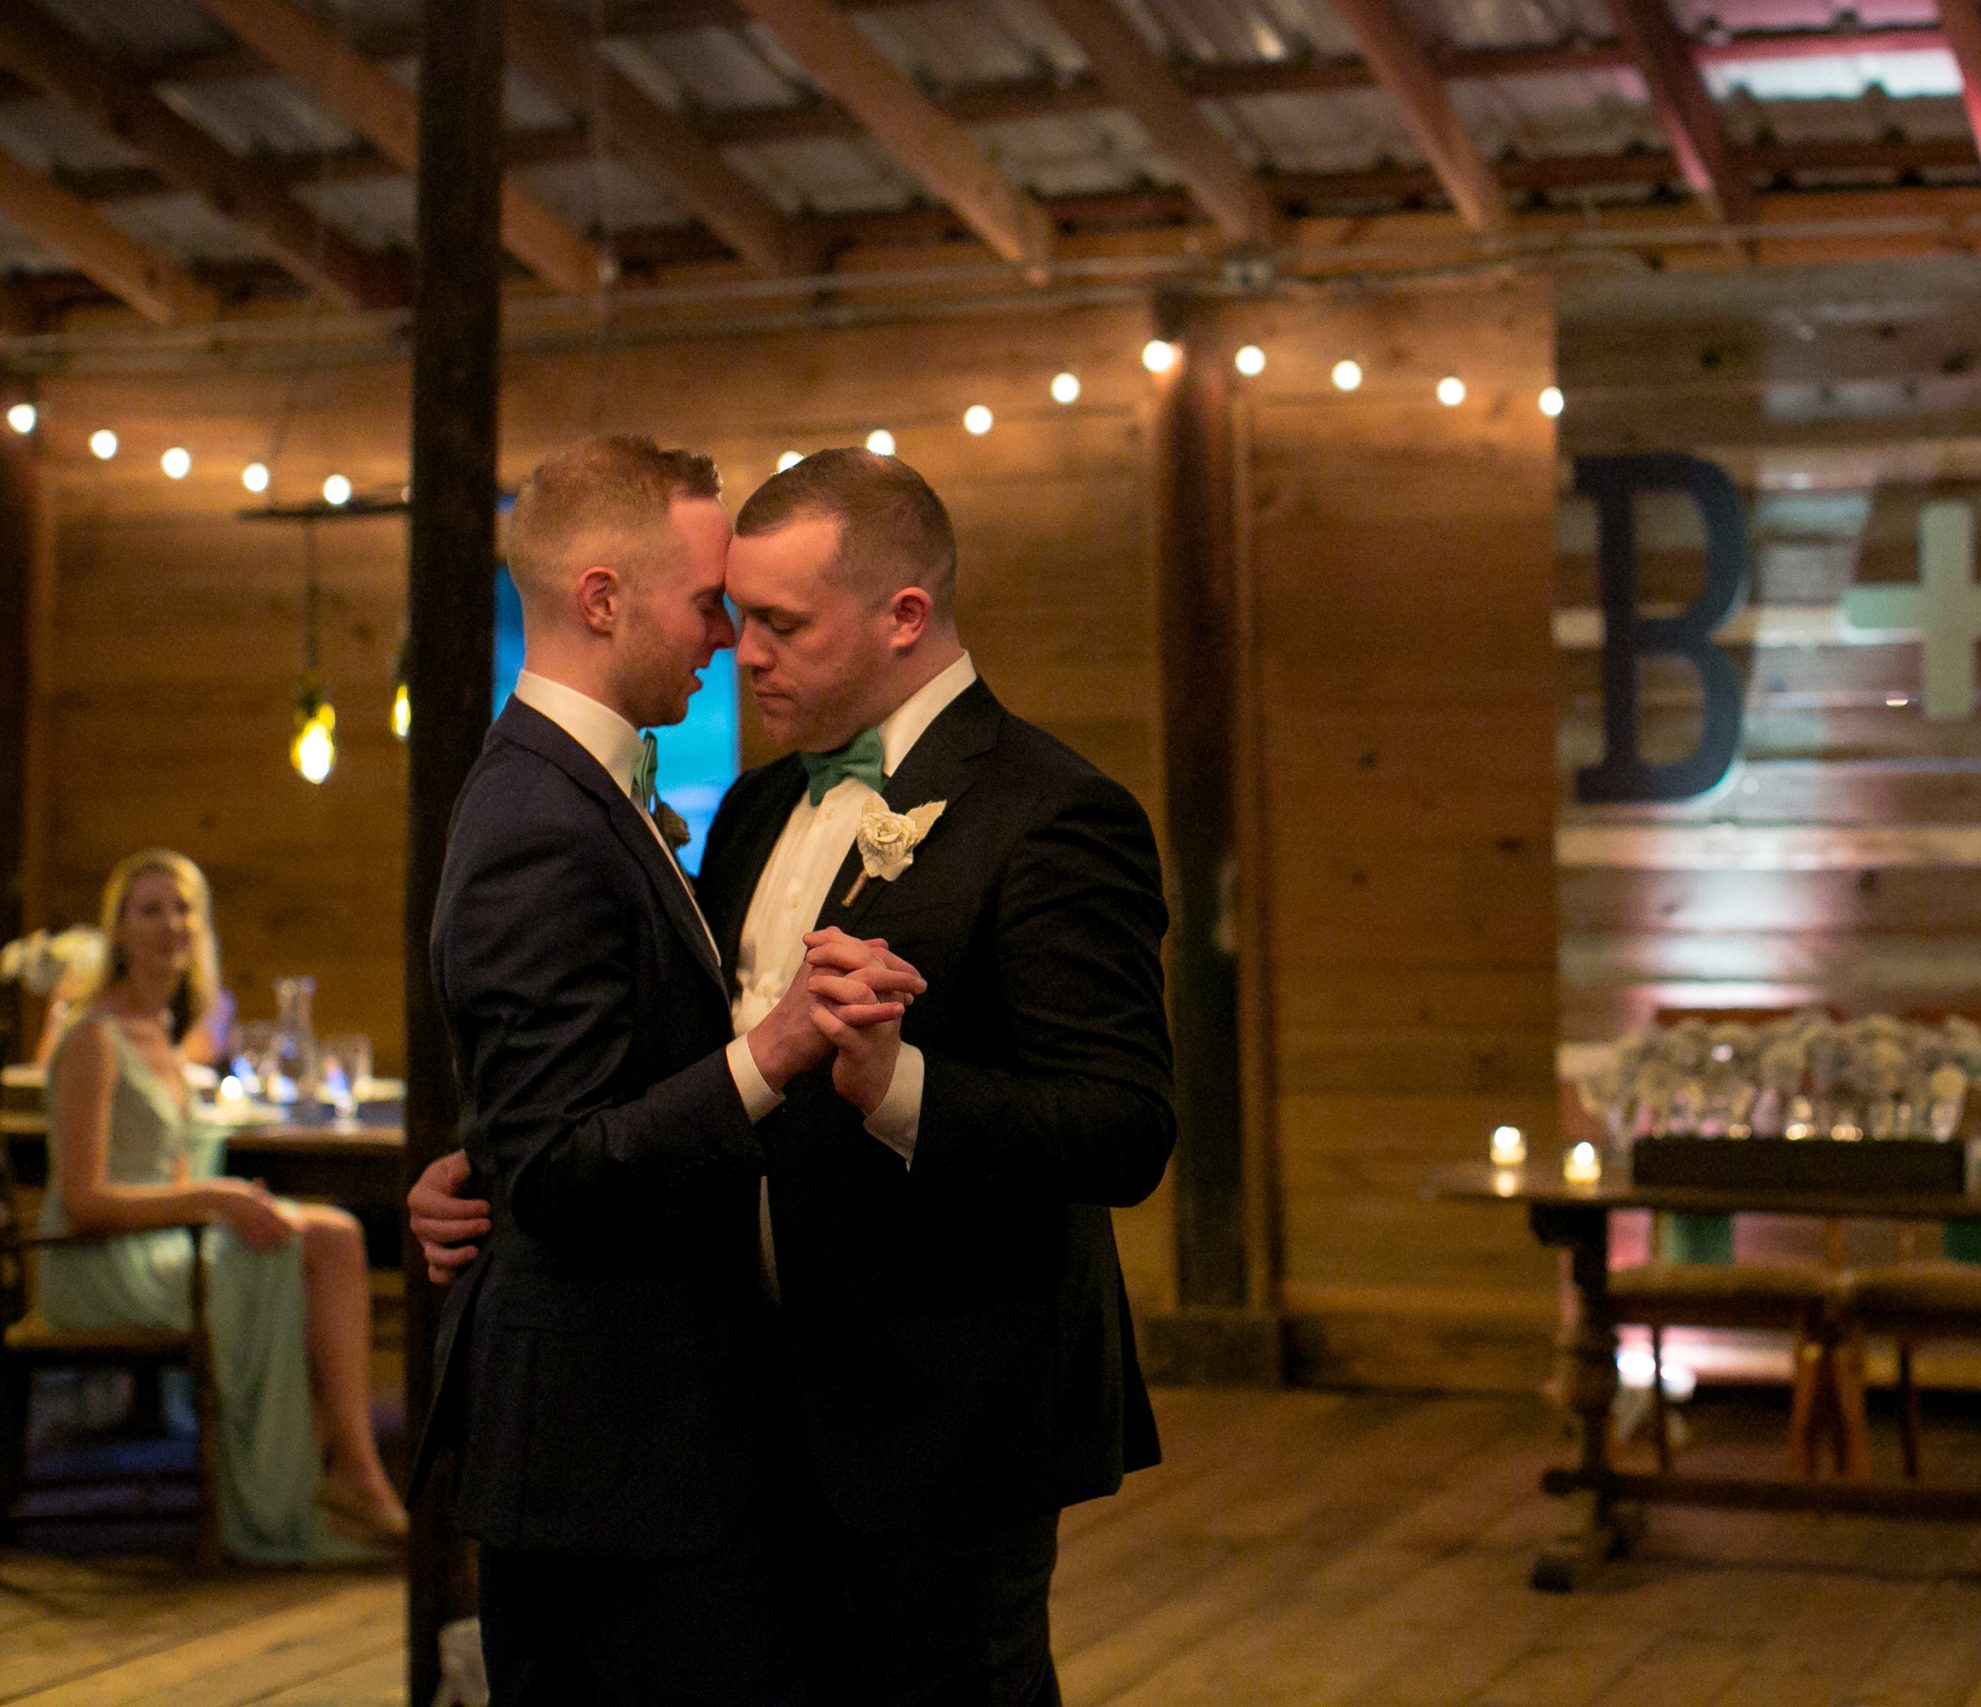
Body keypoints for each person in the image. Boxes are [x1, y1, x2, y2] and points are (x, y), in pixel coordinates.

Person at [415, 447, 1176, 1705]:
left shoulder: (1050, 812)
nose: (741, 649)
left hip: (938, 1420)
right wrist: (500, 1166)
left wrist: (898, 1087)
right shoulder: (759, 810)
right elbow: (661, 1070)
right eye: (730, 612)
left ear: (905, 617)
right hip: (739, 1422)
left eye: (777, 621)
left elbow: (1123, 1129)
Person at [413, 435, 916, 1706]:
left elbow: (554, 1114)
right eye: (706, 604)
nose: (725, 638)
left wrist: (492, 1154)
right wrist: (778, 1048)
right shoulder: (538, 820)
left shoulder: (584, 790)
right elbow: (566, 1173)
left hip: (645, 1435)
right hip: (603, 1447)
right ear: (602, 598)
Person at [41, 847, 400, 1559]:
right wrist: (217, 1195)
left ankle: (342, 1466)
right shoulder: (95, 1037)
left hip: (164, 1243)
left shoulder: (166, 1037)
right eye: (150, 909)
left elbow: (168, 1163)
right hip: (97, 1262)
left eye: (183, 908)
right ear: (119, 930)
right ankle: (334, 1477)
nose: (170, 924)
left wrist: (229, 1195)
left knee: (330, 1233)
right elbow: (83, 1201)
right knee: (315, 1241)